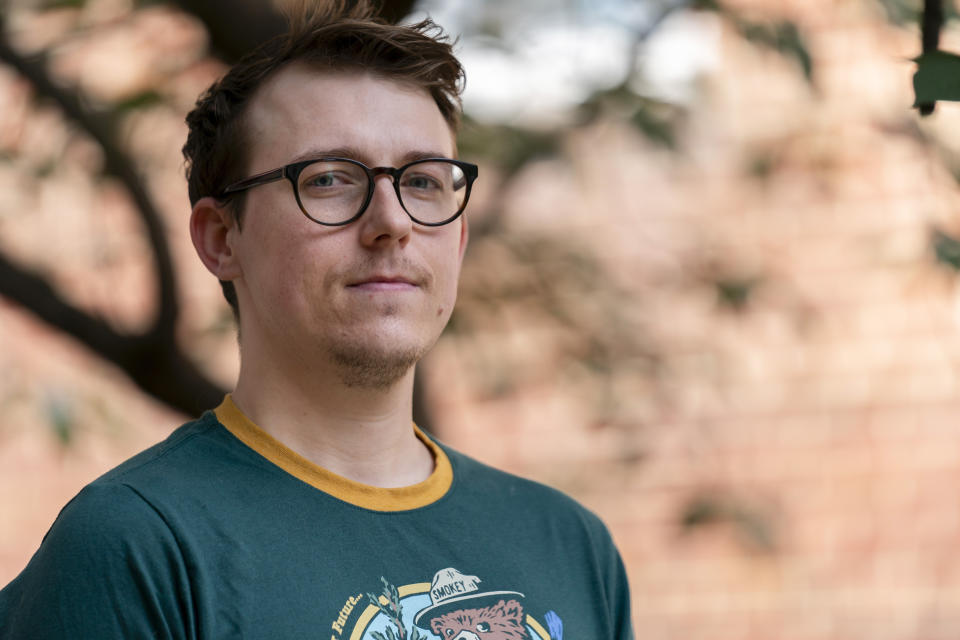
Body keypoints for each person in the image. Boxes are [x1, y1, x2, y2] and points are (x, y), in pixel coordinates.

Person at [0, 3, 634, 638]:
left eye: (422, 181)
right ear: (222, 238)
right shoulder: (137, 548)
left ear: (459, 238)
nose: (393, 221)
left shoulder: (572, 547)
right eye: (330, 178)